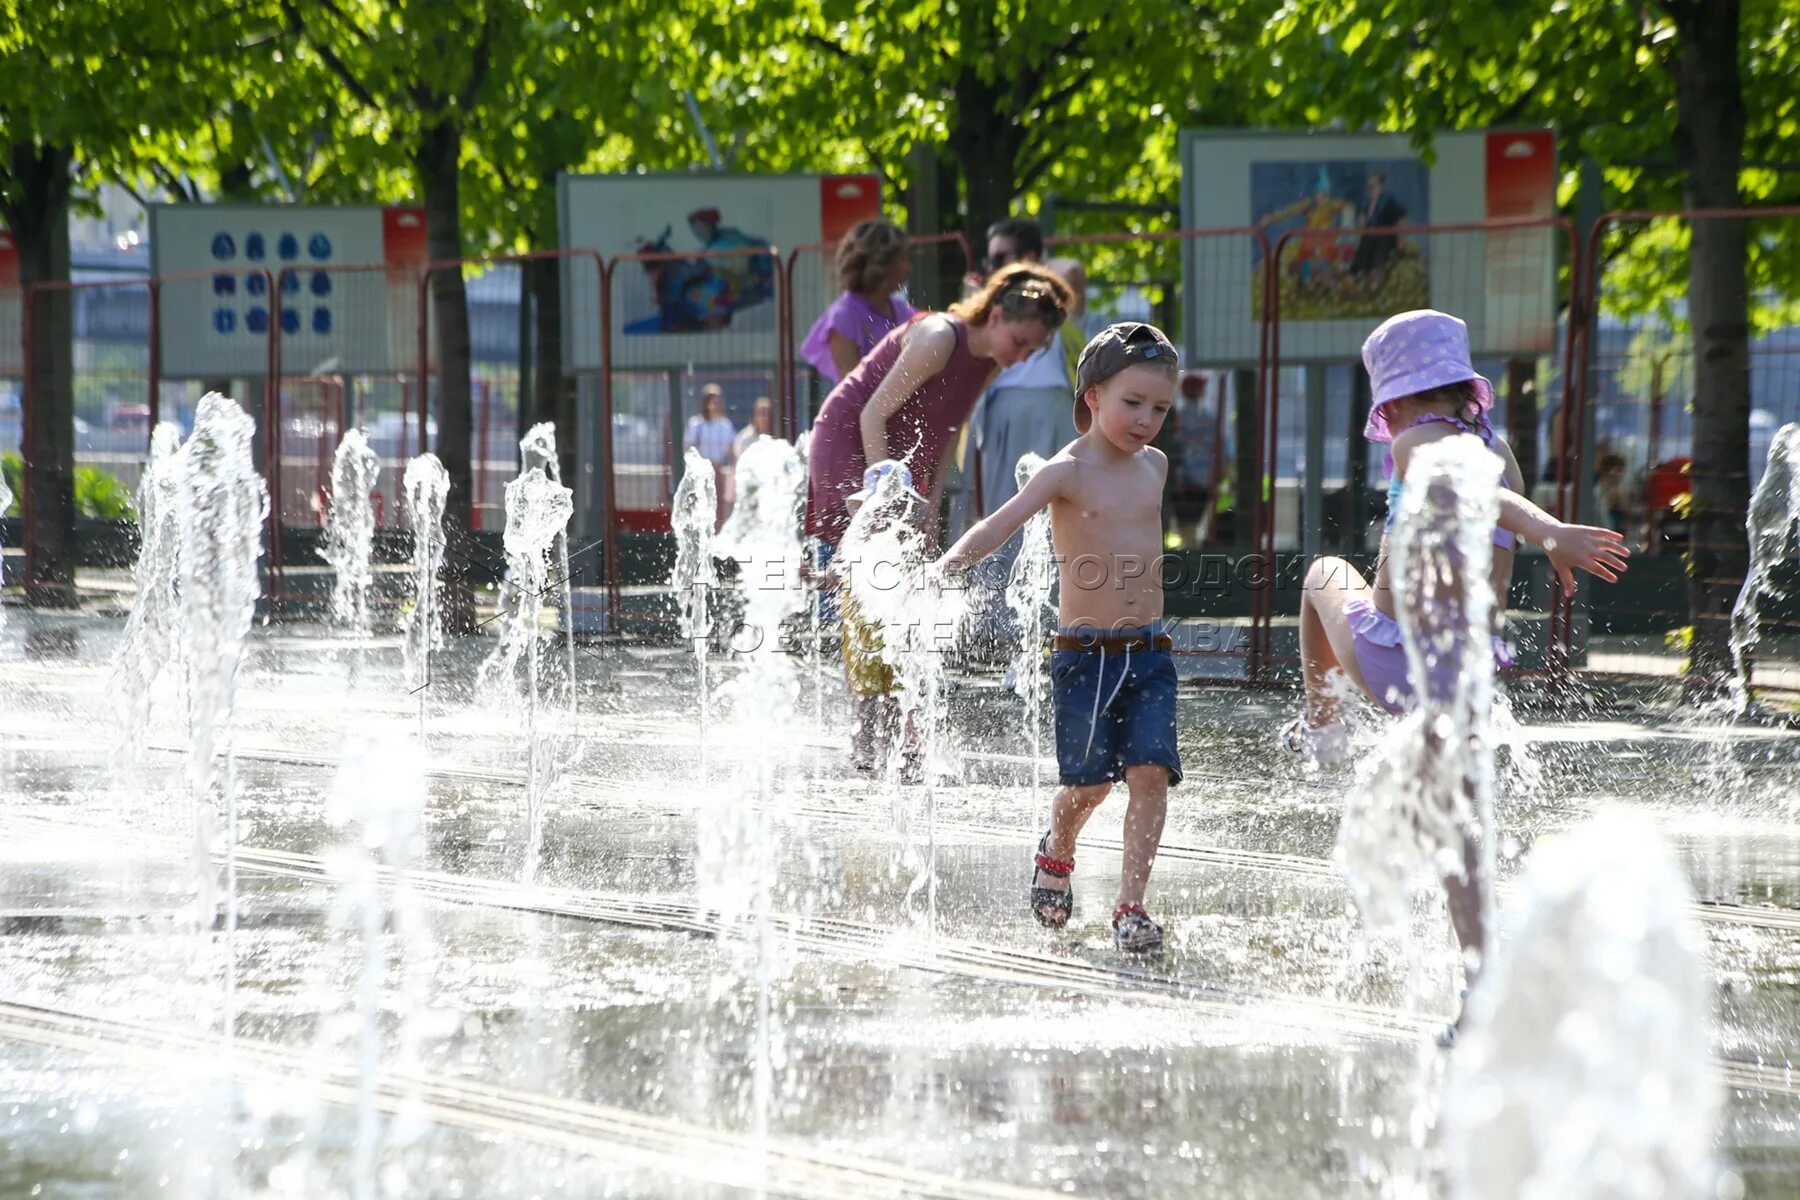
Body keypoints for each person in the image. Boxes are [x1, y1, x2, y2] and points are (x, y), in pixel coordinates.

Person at [1285, 310, 1629, 1017]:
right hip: (1463, 677)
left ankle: (1323, 724)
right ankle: (1478, 989)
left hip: (1390, 656)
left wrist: (1549, 530)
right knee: (1461, 835)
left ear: (1398, 400)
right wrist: (1541, 530)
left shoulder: (1417, 442)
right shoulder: (1497, 447)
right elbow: (1495, 498)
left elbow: (1476, 492)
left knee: (1322, 572)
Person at [935, 322, 1183, 954]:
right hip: (1085, 658)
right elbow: (996, 525)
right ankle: (1057, 847)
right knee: (1091, 787)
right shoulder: (1063, 472)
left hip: (1150, 652)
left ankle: (1131, 905)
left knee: (1150, 773)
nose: (1146, 420)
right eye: (1133, 402)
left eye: (1159, 407)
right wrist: (940, 571)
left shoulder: (1155, 466)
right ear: (1092, 396)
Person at [806, 263, 1075, 771]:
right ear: (995, 315)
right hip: (852, 441)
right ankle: (868, 728)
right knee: (871, 576)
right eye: (1019, 342)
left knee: (910, 581)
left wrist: (929, 503)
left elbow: (948, 426)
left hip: (902, 458)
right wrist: (882, 496)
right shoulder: (938, 336)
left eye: (1032, 352)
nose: (1021, 358)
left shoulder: (990, 361)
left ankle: (906, 721)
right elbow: (871, 414)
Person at [959, 217, 1088, 652]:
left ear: (1031, 257)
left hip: (1050, 405)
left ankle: (1050, 616)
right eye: (990, 258)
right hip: (1001, 409)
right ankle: (993, 622)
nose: (993, 266)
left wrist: (1020, 276)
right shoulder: (994, 303)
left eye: (1002, 257)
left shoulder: (1054, 287)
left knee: (1054, 513)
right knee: (1000, 508)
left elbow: (1070, 276)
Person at [799, 219, 916, 386]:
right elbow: (853, 389)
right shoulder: (844, 316)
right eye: (902, 259)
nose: (908, 268)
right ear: (881, 264)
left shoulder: (902, 310)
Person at [683, 384, 736, 527]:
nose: (715, 403)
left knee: (719, 506)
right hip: (701, 472)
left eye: (717, 399)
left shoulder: (725, 425)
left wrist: (731, 471)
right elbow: (688, 448)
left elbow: (731, 451)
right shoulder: (696, 424)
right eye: (712, 399)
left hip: (719, 471)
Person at [1346, 171, 1407, 294]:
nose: (1370, 190)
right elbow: (1361, 221)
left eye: (1373, 187)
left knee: (1379, 256)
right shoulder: (1365, 203)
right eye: (1369, 187)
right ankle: (1358, 279)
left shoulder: (1388, 202)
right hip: (1368, 239)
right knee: (1362, 254)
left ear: (1380, 187)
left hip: (1384, 240)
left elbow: (1402, 217)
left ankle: (1375, 283)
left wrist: (1400, 236)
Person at [734, 395, 775, 461]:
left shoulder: (778, 438)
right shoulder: (744, 438)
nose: (766, 418)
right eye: (762, 413)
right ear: (755, 416)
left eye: (768, 413)